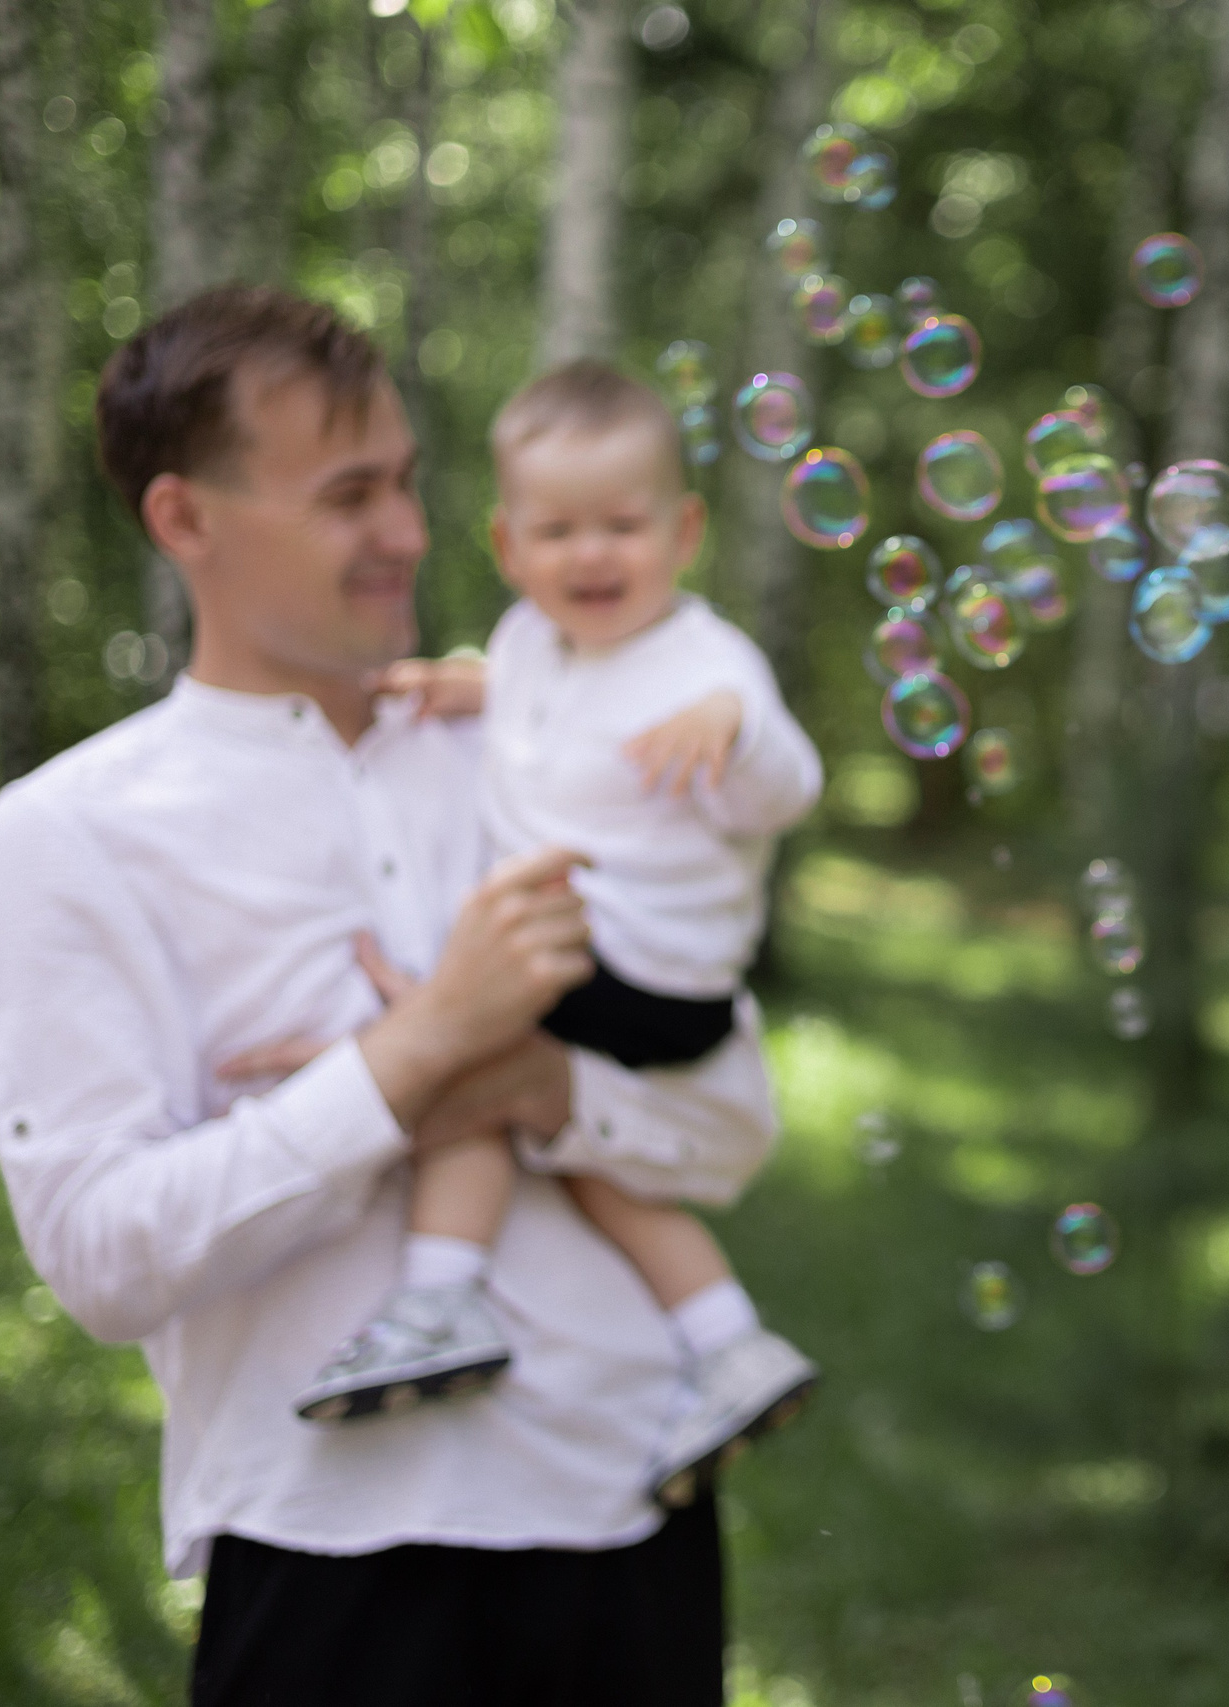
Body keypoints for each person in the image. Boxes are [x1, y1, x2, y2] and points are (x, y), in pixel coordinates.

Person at [0, 287, 763, 1702]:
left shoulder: (527, 754)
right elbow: (99, 1255)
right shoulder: (69, 830)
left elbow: (733, 1122)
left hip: (632, 1508)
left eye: (404, 480)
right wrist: (415, 1054)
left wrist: (533, 1082)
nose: (406, 531)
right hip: (323, 1545)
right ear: (184, 520)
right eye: (348, 495)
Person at [280, 358, 821, 1508]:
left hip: (645, 966)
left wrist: (735, 727)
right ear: (509, 544)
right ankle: (730, 1340)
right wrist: (463, 685)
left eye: (622, 526)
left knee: (456, 1048)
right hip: (606, 971)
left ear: (682, 531)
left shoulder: (705, 662)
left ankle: (438, 1298)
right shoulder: (530, 641)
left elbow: (789, 783)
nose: (591, 556)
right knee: (588, 1158)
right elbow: (531, 702)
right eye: (558, 530)